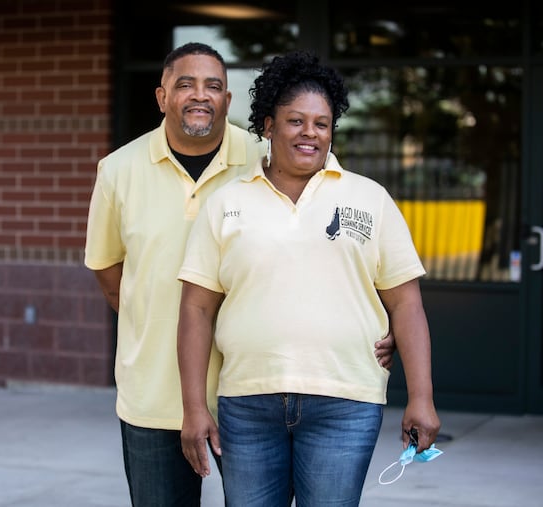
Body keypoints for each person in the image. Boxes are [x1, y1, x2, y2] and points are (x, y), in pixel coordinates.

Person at [85, 42, 396, 506]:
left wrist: (370, 324)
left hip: (254, 395)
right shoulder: (117, 171)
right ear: (161, 96)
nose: (200, 95)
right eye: (184, 84)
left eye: (213, 85)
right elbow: (110, 276)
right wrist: (151, 314)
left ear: (228, 100)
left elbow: (335, 228)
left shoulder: (271, 151)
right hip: (155, 390)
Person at [177, 50, 441, 506]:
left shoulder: (370, 199)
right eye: (295, 121)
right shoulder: (225, 203)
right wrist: (194, 408)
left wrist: (422, 397)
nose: (310, 133)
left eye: (321, 123)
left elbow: (406, 304)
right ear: (267, 126)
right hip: (248, 403)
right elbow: (196, 308)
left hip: (345, 403)